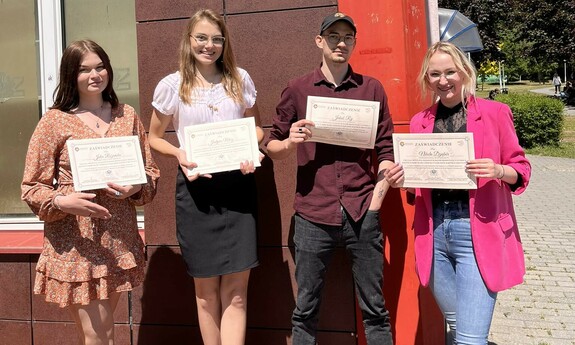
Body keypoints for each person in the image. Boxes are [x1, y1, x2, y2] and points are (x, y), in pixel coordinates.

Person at [385, 41, 531, 344]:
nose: (444, 80)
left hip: (479, 229)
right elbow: (419, 188)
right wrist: (405, 180)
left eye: (450, 72)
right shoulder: (419, 122)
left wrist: (498, 170)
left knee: (469, 338)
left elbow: (521, 169)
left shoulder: (495, 113)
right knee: (456, 325)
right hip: (434, 232)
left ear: (464, 71)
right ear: (427, 78)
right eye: (435, 74)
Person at [265, 12, 394, 345]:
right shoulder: (297, 89)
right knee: (305, 310)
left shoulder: (371, 89)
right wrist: (290, 141)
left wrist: (377, 199)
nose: (341, 42)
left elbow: (385, 147)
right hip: (312, 214)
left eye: (347, 37)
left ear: (354, 43)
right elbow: (271, 146)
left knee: (375, 310)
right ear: (319, 41)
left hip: (362, 211)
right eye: (333, 36)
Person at [21, 39, 159, 345]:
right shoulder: (54, 121)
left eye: (100, 67)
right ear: (71, 75)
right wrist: (62, 200)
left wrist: (137, 185)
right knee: (101, 336)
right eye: (84, 69)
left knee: (97, 336)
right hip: (76, 243)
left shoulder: (127, 115)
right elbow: (32, 187)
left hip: (118, 238)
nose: (94, 74)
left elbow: (150, 174)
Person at [148, 9, 263, 345]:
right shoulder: (172, 85)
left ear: (224, 42)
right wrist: (178, 154)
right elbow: (153, 137)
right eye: (201, 37)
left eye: (216, 38)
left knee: (237, 293)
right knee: (205, 293)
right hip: (197, 190)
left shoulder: (239, 78)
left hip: (238, 188)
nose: (208, 45)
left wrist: (249, 149)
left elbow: (256, 129)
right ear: (189, 40)